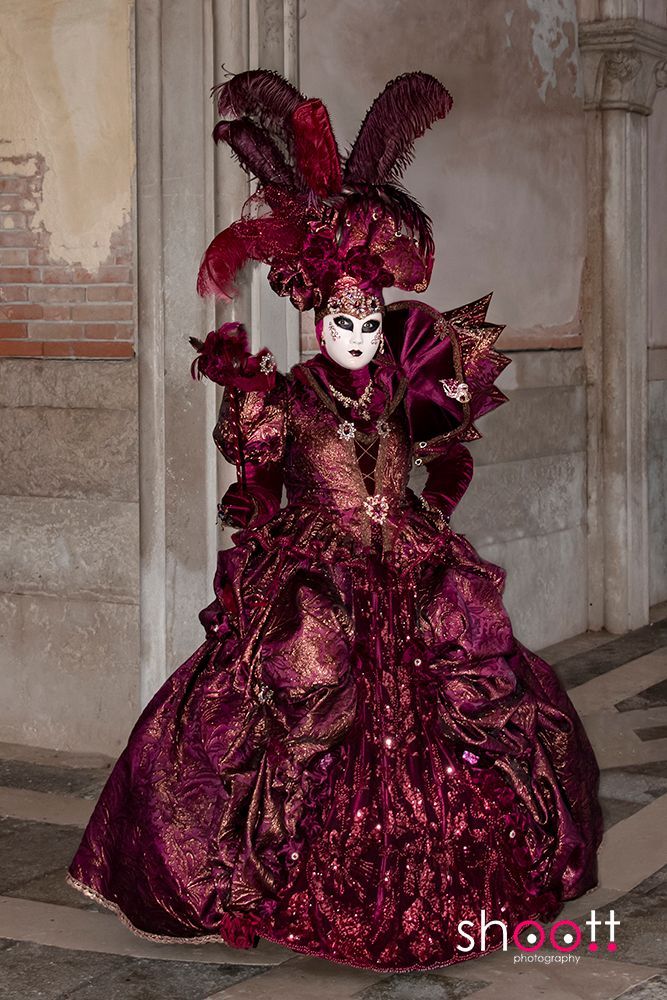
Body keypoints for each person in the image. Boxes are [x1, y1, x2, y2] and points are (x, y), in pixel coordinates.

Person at [67, 69, 603, 972]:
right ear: (316, 320)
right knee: (298, 693)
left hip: (410, 560)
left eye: (369, 322)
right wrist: (245, 422)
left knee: (477, 693)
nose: (358, 335)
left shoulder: (403, 388)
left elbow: (451, 455)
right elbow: (254, 471)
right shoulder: (288, 395)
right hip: (320, 570)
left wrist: (429, 508)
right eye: (342, 322)